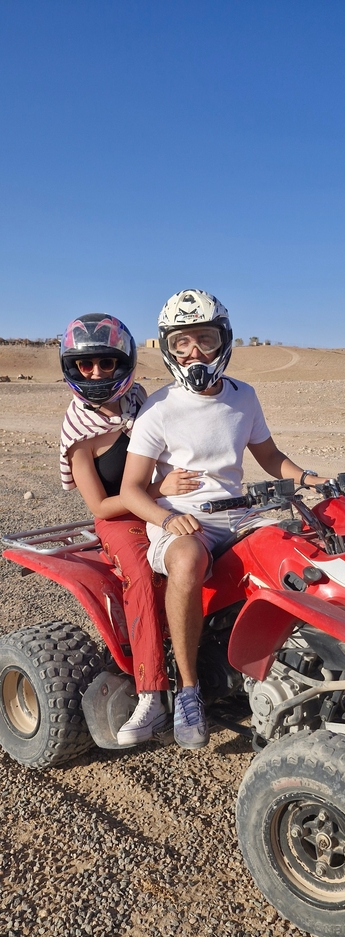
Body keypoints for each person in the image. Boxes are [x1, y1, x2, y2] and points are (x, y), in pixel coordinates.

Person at [120, 289, 330, 751]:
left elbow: (270, 456)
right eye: (182, 344)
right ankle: (189, 689)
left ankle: (296, 667)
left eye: (205, 339)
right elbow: (131, 490)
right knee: (189, 561)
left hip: (238, 517)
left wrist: (307, 478)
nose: (195, 353)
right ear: (168, 348)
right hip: (183, 521)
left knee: (296, 549)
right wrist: (165, 518)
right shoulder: (158, 408)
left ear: (224, 341)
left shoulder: (244, 397)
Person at [59, 312, 200, 748]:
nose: (98, 373)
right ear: (72, 368)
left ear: (125, 362)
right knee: (140, 575)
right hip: (119, 519)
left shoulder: (139, 399)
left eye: (106, 362)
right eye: (86, 365)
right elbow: (100, 504)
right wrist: (156, 490)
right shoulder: (77, 433)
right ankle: (151, 694)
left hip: (160, 504)